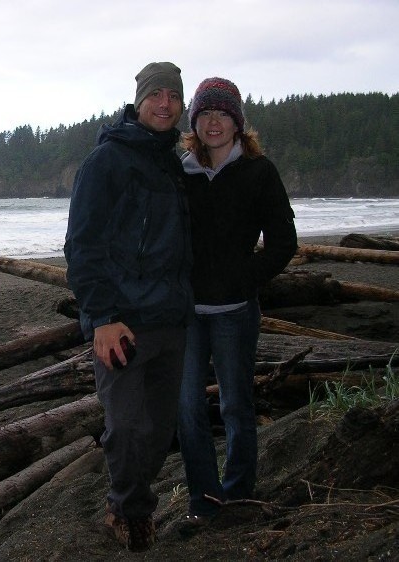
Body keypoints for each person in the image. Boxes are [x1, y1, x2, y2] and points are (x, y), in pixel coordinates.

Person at [64, 61, 194, 552]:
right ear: (139, 101)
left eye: (174, 96)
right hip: (123, 322)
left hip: (171, 320)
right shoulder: (108, 161)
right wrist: (101, 318)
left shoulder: (173, 163)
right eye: (156, 94)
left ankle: (128, 500)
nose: (165, 104)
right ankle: (128, 511)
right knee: (125, 425)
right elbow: (82, 245)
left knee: (161, 430)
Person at [176, 77, 297, 531]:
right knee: (187, 408)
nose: (213, 122)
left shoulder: (258, 171)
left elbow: (284, 241)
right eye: (205, 113)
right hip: (186, 314)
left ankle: (240, 492)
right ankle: (206, 501)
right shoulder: (180, 173)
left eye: (222, 114)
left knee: (235, 405)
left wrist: (244, 280)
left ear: (237, 122)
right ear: (195, 121)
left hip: (235, 314)